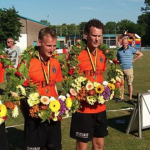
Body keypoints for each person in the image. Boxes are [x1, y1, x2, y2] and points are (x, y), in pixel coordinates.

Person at [70, 19, 108, 150]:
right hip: (83, 108)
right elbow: (70, 79)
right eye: (94, 35)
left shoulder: (103, 54)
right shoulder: (77, 54)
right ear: (86, 34)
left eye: (99, 36)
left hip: (100, 107)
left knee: (99, 146)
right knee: (82, 147)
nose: (97, 39)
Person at [23, 27, 63, 150]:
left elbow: (56, 87)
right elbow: (21, 92)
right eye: (48, 45)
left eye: (54, 46)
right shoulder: (28, 62)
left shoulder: (55, 62)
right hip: (34, 118)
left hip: (53, 116)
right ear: (39, 42)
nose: (52, 49)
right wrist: (29, 115)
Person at [116, 37, 143, 104]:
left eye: (126, 43)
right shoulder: (119, 50)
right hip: (121, 69)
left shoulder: (131, 49)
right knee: (121, 84)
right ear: (121, 43)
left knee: (129, 84)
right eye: (123, 43)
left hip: (129, 69)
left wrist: (134, 60)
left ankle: (130, 98)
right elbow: (118, 59)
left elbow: (141, 54)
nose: (124, 44)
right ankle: (121, 97)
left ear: (128, 43)